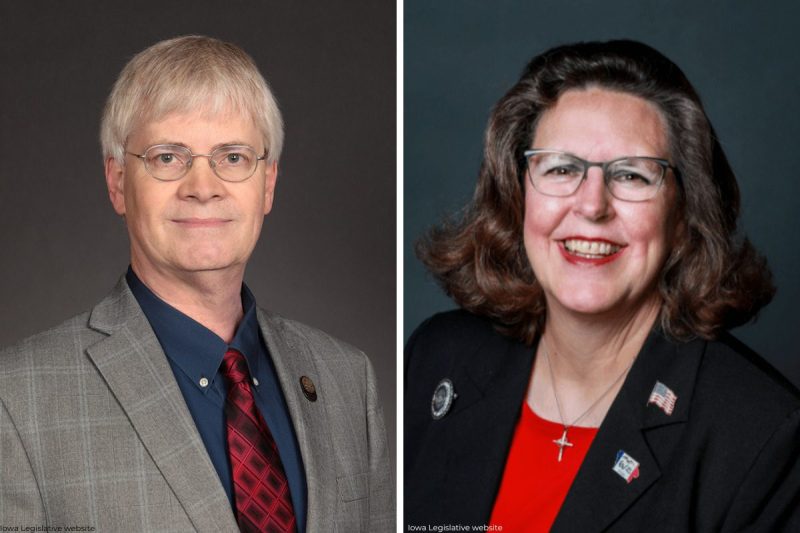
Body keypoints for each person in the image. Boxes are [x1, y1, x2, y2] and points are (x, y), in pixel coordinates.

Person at [0, 36, 393, 532]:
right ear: (118, 182)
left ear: (268, 183)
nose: (203, 187)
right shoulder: (15, 399)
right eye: (168, 157)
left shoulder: (346, 379)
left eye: (232, 157)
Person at [405, 40, 800, 532]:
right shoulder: (437, 358)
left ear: (682, 214)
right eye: (562, 168)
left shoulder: (761, 431)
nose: (592, 206)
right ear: (517, 194)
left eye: (632, 175)